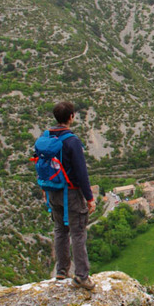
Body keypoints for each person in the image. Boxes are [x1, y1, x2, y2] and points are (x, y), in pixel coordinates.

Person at [46, 101, 96, 290]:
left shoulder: (47, 138)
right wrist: (89, 198)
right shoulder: (71, 141)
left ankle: (61, 271)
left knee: (60, 230)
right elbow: (81, 172)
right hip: (71, 193)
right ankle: (82, 276)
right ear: (71, 117)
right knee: (78, 233)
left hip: (53, 191)